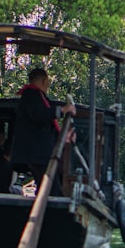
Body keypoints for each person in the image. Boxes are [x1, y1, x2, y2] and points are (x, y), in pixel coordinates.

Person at [10, 67, 76, 196]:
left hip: (41, 153)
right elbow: (40, 115)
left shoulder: (38, 97)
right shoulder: (31, 95)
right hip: (37, 153)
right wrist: (63, 110)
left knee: (50, 187)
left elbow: (46, 125)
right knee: (52, 190)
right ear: (44, 81)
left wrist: (64, 136)